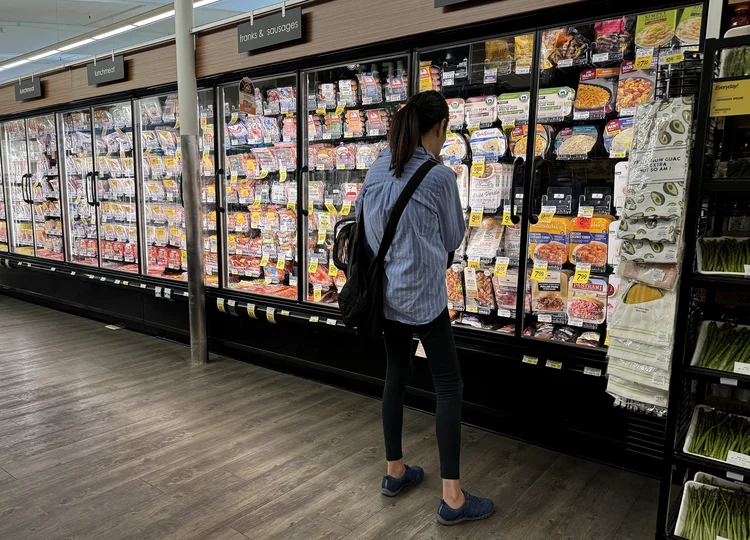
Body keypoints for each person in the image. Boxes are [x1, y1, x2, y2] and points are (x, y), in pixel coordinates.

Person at [354, 91, 495, 525]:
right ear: (438, 128)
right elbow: (454, 239)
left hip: (386, 297)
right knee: (448, 386)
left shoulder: (376, 167)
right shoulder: (440, 178)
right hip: (425, 298)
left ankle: (395, 471)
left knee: (396, 373)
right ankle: (452, 498)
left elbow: (363, 225)